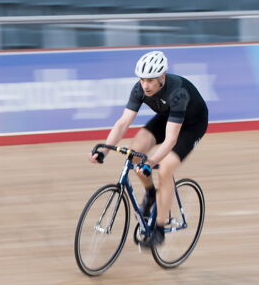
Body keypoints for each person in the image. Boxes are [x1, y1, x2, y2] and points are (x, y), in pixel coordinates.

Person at [89, 50, 208, 248]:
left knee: (166, 168)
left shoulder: (178, 92)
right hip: (167, 117)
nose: (145, 85)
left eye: (150, 80)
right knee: (135, 152)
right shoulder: (139, 89)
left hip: (191, 125)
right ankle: (151, 193)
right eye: (142, 79)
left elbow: (171, 139)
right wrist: (104, 151)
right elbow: (123, 123)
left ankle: (159, 229)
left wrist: (151, 163)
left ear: (162, 77)